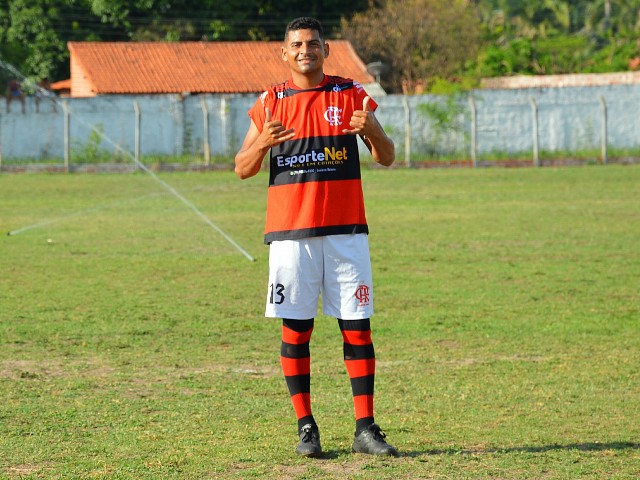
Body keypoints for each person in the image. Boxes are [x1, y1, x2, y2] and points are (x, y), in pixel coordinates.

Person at [235, 17, 397, 458]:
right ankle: (306, 427)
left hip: (346, 232)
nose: (305, 51)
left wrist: (371, 129)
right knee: (296, 329)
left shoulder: (350, 94)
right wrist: (262, 143)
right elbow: (242, 167)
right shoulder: (271, 102)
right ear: (284, 53)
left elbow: (386, 157)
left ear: (326, 50)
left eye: (313, 44)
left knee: (357, 328)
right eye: (297, 45)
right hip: (292, 235)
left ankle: (365, 429)